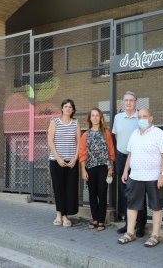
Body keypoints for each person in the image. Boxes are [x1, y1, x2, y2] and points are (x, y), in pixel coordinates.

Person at [117, 108, 163, 248]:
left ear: (151, 118)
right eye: (139, 117)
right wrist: (125, 172)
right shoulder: (134, 134)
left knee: (156, 206)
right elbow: (130, 155)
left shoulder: (158, 133)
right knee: (132, 205)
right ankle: (130, 233)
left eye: (145, 116)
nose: (142, 119)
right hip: (135, 176)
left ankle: (155, 235)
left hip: (154, 178)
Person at [112, 91, 147, 237]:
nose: (128, 103)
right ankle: (128, 224)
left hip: (138, 158)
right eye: (126, 100)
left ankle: (141, 226)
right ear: (123, 102)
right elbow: (117, 136)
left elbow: (146, 135)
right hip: (121, 157)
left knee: (139, 191)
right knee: (124, 191)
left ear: (136, 102)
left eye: (131, 100)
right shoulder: (117, 117)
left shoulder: (141, 117)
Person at [79, 108, 115, 231]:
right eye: (92, 115)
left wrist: (111, 168)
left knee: (102, 193)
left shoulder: (106, 133)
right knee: (92, 194)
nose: (95, 118)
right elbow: (82, 154)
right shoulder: (85, 135)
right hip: (90, 168)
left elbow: (111, 151)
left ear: (101, 118)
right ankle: (94, 219)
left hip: (103, 167)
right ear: (90, 118)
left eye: (97, 115)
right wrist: (83, 170)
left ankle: (101, 220)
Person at [47, 99, 81, 227]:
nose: (68, 109)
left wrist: (75, 158)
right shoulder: (54, 122)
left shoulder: (75, 123)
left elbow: (79, 142)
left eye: (70, 107)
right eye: (66, 106)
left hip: (71, 162)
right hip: (56, 161)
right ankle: (59, 215)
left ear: (73, 110)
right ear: (62, 108)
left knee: (70, 189)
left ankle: (66, 216)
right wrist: (58, 158)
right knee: (58, 188)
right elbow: (50, 141)